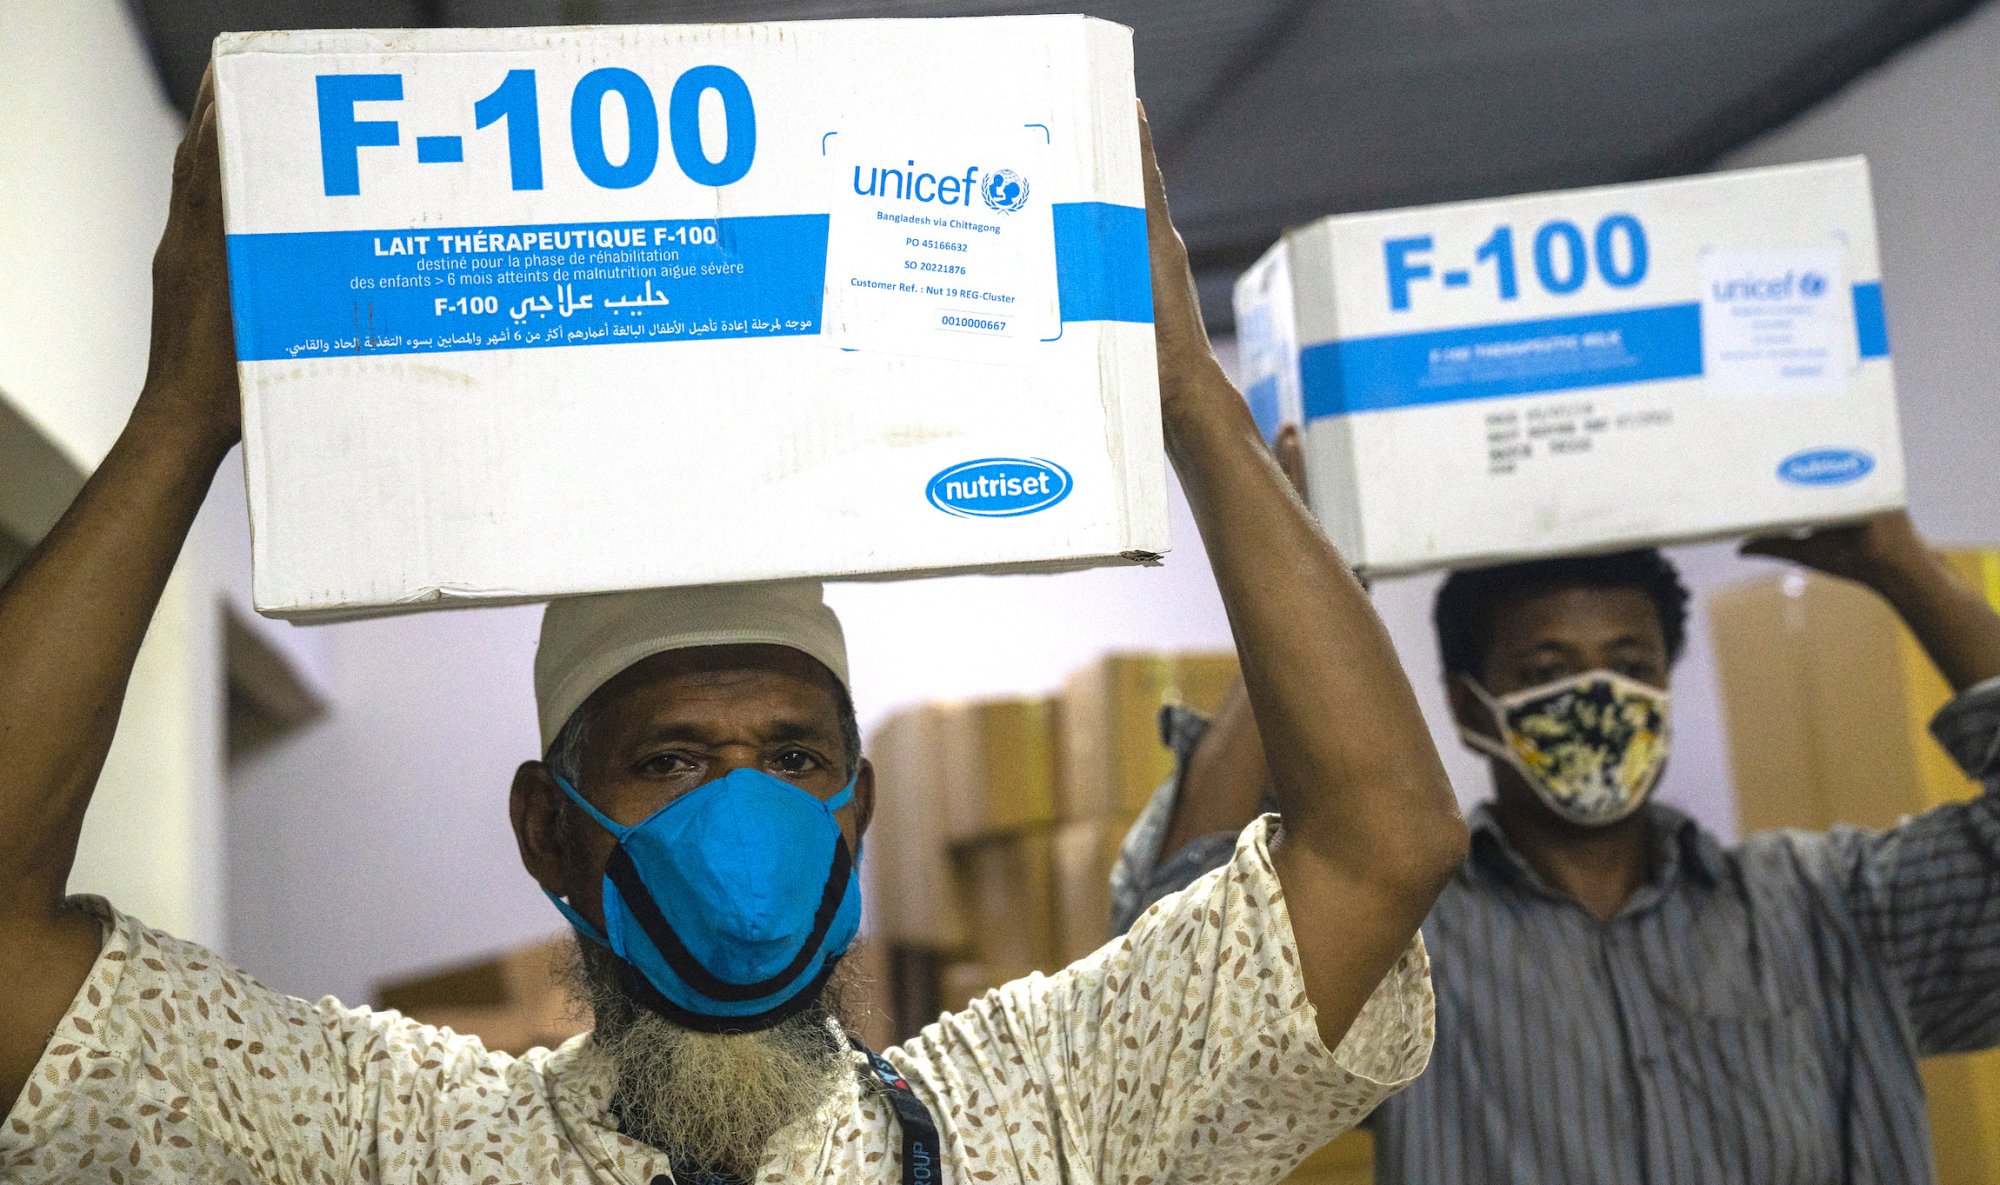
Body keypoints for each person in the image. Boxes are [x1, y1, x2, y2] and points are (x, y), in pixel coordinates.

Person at [0, 76, 1469, 1185]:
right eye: (671, 762)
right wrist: (179, 423)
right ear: (549, 828)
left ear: (858, 807)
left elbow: (1382, 845)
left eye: (791, 756)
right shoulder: (394, 1139)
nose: (744, 814)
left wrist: (1189, 400)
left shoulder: (1036, 1112)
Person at [1110, 450, 2000, 1184]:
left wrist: (1903, 565)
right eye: (1546, 669)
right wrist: (1303, 585)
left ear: (1664, 683)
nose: (1597, 696)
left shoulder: (1829, 907)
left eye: (1629, 663)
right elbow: (1179, 975)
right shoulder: (1405, 951)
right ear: (1469, 705)